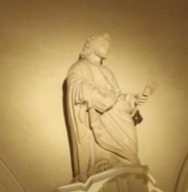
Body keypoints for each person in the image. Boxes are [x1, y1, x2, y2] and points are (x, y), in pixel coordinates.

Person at [62, 33, 155, 179]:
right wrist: (100, 97)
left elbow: (117, 95)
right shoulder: (80, 66)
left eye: (108, 46)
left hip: (117, 115)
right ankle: (102, 164)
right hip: (100, 114)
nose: (107, 48)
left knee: (130, 150)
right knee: (105, 152)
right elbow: (74, 85)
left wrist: (133, 99)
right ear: (91, 47)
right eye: (102, 44)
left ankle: (126, 164)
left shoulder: (108, 71)